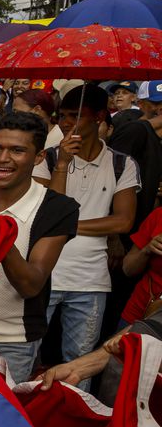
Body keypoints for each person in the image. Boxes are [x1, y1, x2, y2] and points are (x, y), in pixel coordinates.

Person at [0, 112, 80, 383]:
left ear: (39, 157)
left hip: (13, 343)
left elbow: (31, 285)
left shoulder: (56, 209)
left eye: (17, 150)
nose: (2, 158)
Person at [31, 84, 138, 384]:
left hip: (91, 278)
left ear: (100, 116)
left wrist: (68, 226)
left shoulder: (121, 163)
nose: (66, 122)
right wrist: (63, 165)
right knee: (28, 353)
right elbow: (43, 214)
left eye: (74, 116)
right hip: (44, 271)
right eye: (62, 115)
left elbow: (123, 221)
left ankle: (75, 422)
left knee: (80, 364)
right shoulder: (50, 158)